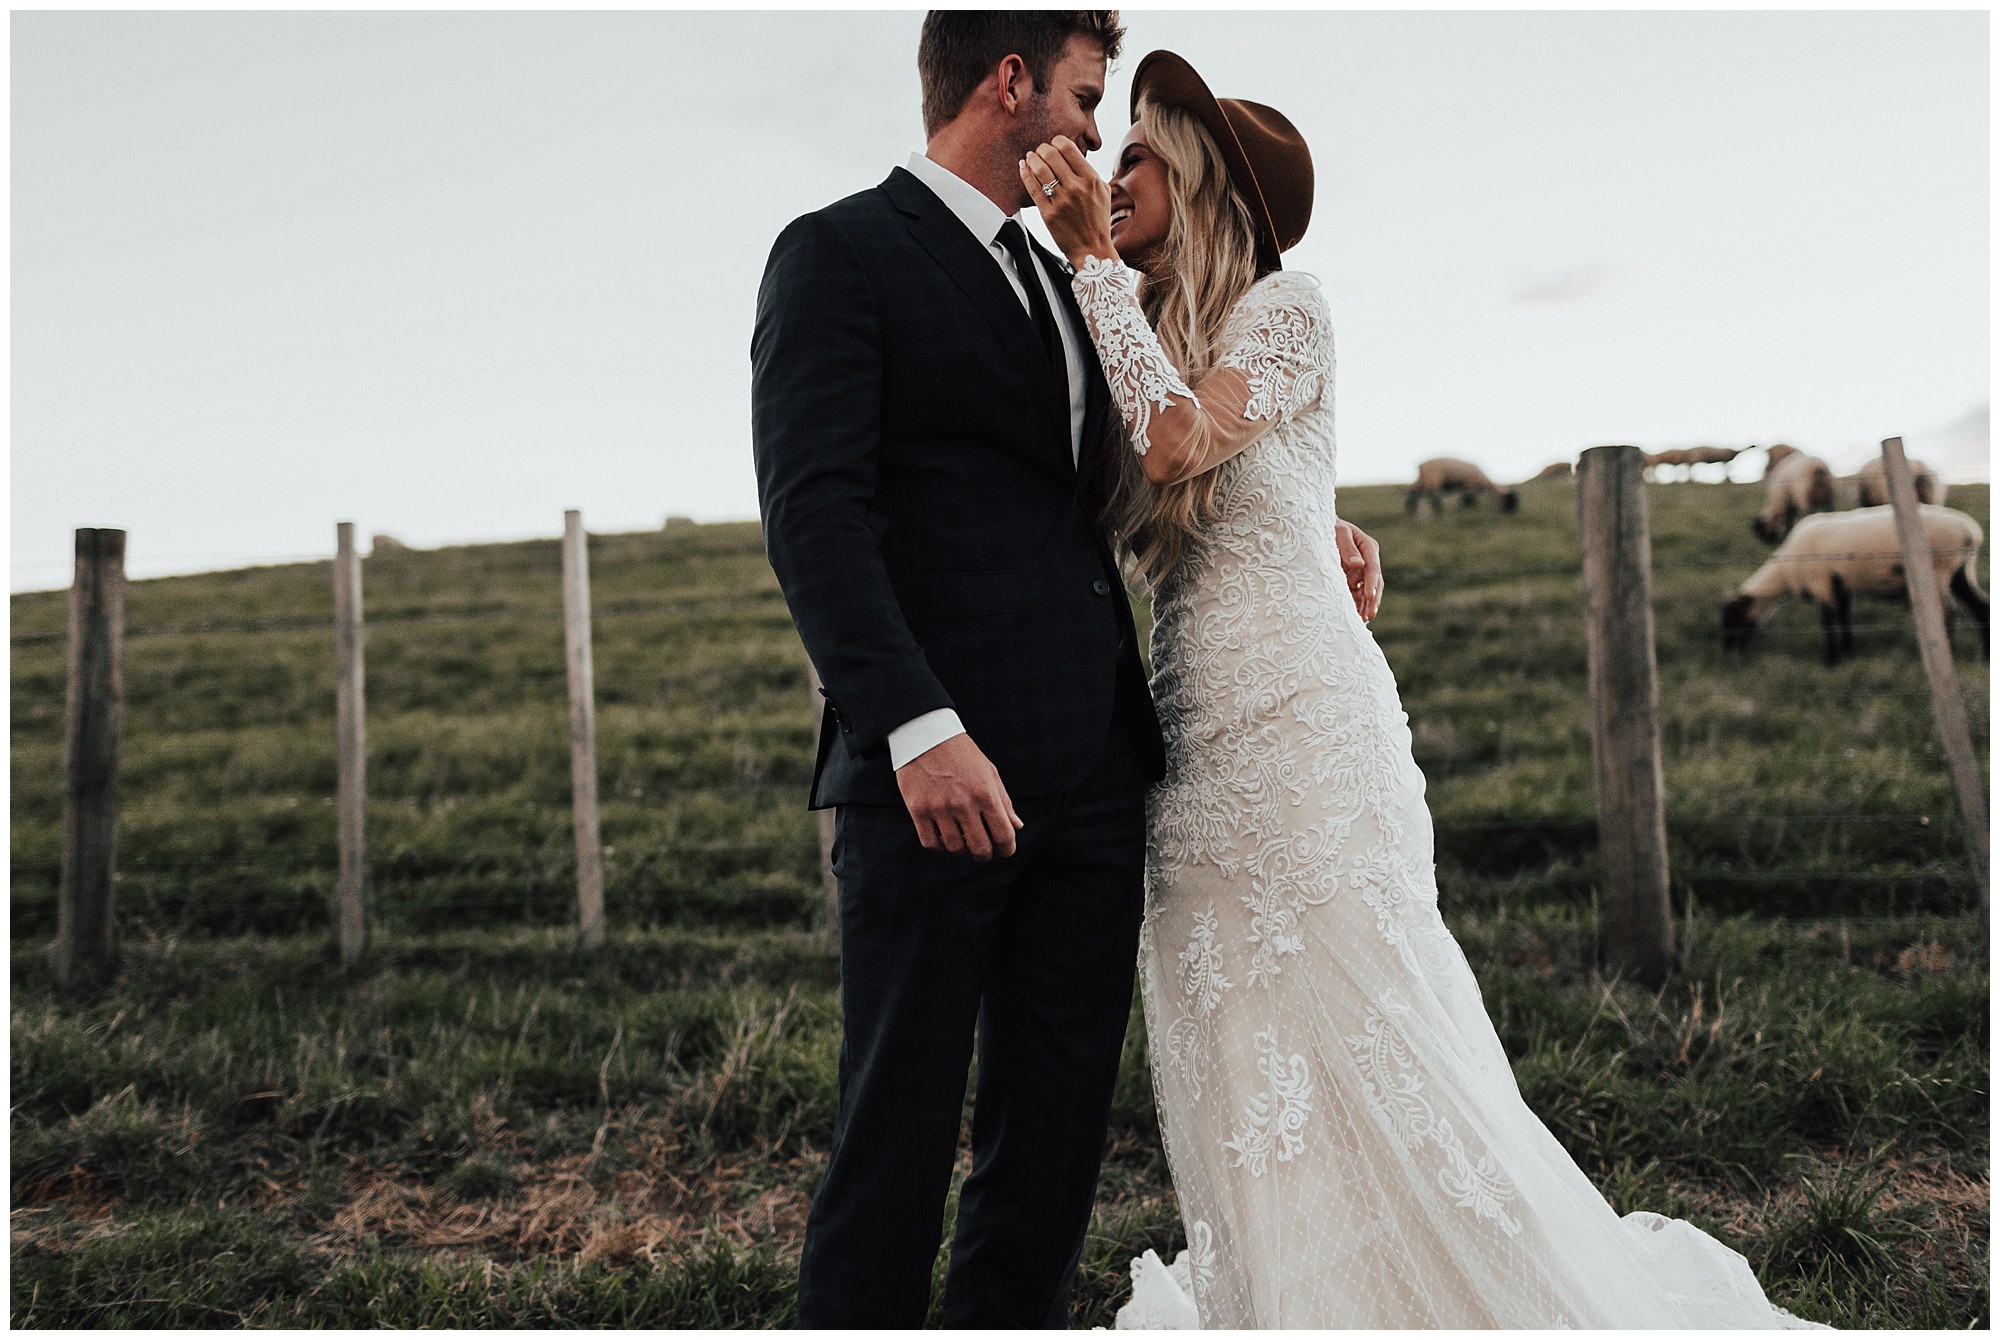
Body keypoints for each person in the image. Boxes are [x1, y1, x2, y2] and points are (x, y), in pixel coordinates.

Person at [1020, 49, 1827, 1329]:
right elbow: (1190, 470)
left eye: (1135, 155)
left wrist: (1088, 266)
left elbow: (1180, 441)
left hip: (1305, 736)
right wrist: (1321, 521)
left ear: (1202, 179)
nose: (1110, 176)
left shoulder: (1287, 308)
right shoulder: (1140, 329)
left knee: (1374, 1037)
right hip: (1193, 755)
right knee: (1248, 1069)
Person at [750, 14, 1383, 1329]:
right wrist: (913, 725)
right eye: (1089, 101)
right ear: (1010, 83)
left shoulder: (1071, 286)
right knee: (896, 1138)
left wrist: (1304, 520)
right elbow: (815, 512)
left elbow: (1156, 465)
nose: (1097, 136)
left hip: (1099, 783)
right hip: (937, 783)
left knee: (1048, 1148)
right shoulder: (840, 252)